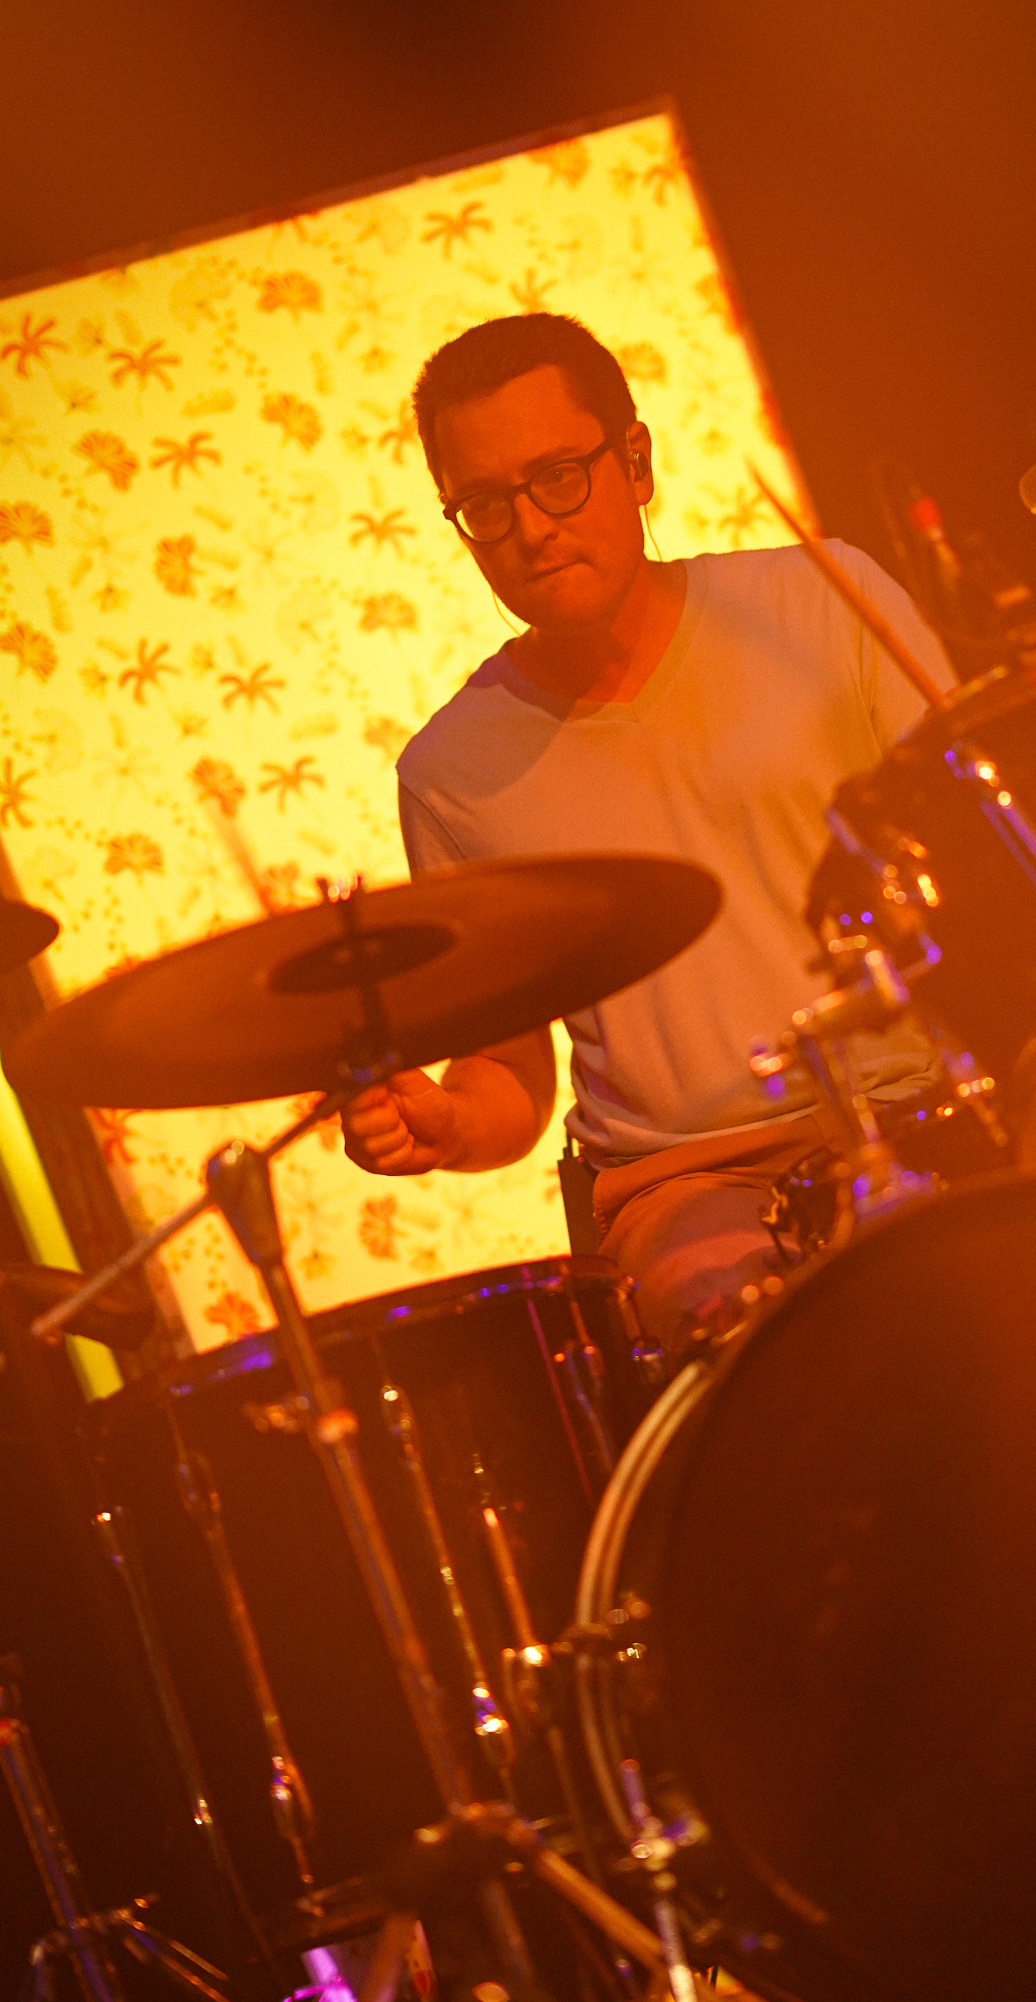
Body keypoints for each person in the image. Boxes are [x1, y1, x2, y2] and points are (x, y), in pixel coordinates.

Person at [341, 313, 957, 1347]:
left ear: (635, 461)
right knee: (764, 1339)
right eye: (485, 505)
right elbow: (506, 1073)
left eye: (556, 478)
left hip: (927, 1106)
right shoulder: (451, 773)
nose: (531, 527)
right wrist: (445, 1126)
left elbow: (991, 848)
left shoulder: (822, 598)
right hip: (693, 1182)